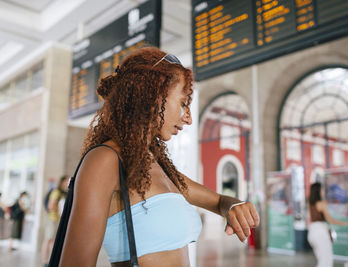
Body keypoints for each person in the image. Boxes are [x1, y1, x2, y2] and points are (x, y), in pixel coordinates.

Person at [59, 47, 259, 267]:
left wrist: (233, 206)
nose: (188, 119)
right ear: (152, 96)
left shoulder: (157, 165)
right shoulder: (105, 160)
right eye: (183, 103)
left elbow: (219, 201)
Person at [307, 182, 348, 267]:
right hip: (320, 233)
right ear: (318, 191)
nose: (323, 191)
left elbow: (309, 220)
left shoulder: (310, 205)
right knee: (326, 259)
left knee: (322, 259)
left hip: (312, 233)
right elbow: (331, 220)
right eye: (322, 189)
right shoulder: (321, 204)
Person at [42, 175, 69, 267]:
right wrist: (58, 208)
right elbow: (50, 206)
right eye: (66, 181)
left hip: (58, 220)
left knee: (53, 241)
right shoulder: (56, 192)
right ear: (62, 182)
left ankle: (51, 261)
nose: (68, 183)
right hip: (52, 220)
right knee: (48, 240)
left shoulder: (64, 193)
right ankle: (45, 262)